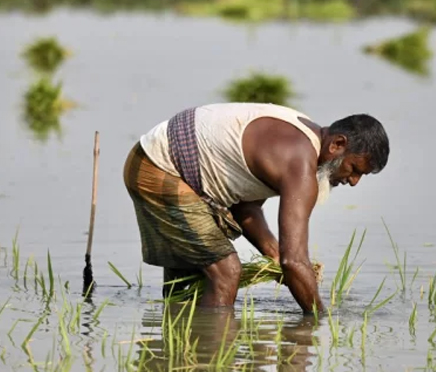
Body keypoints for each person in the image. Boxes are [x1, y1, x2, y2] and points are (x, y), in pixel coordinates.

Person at [123, 102, 390, 315]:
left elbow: (244, 208)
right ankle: (210, 357)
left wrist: (271, 253)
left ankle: (179, 358)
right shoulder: (299, 163)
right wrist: (319, 317)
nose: (353, 181)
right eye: (354, 169)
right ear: (337, 145)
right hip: (161, 169)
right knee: (226, 273)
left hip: (156, 159)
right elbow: (294, 261)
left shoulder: (299, 135)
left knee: (188, 286)